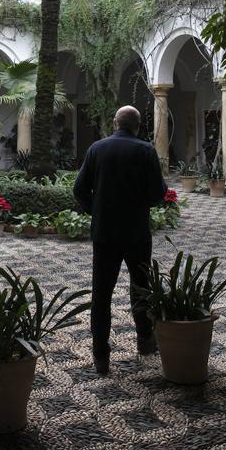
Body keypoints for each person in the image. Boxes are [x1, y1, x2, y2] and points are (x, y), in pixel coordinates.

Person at [73, 104, 166, 374]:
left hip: (104, 233)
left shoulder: (96, 149)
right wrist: (140, 205)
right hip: (136, 232)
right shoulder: (146, 151)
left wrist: (97, 210)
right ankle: (145, 340)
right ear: (137, 126)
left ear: (115, 123)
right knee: (140, 287)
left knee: (101, 294)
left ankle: (101, 354)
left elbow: (79, 190)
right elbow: (158, 194)